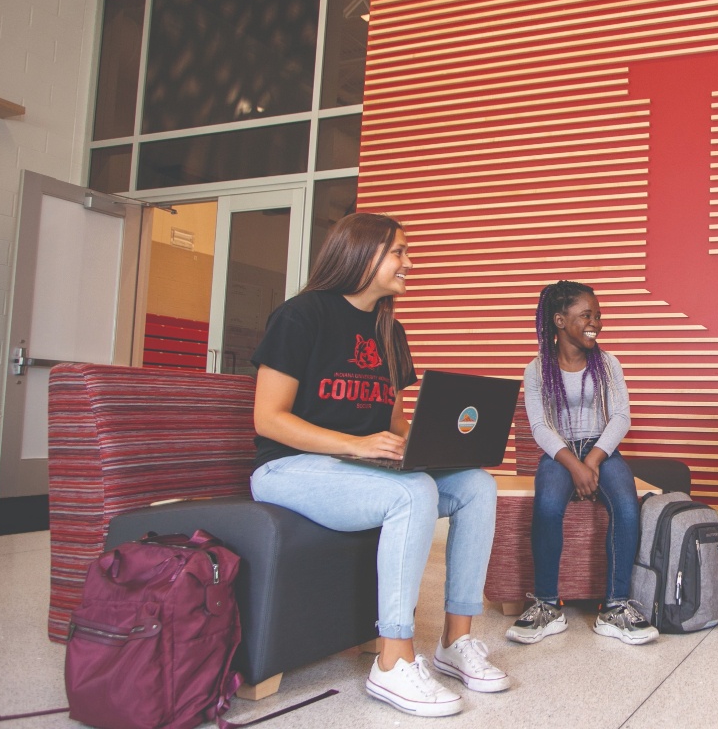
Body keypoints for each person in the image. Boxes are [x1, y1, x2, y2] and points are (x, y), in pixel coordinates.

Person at [248, 212, 508, 718]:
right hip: (289, 469)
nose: (410, 263)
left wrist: (429, 452)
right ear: (361, 253)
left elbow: (395, 423)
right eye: (400, 252)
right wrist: (356, 445)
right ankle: (392, 661)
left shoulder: (391, 330)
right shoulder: (301, 316)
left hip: (356, 469)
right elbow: (268, 419)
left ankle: (456, 641)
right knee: (411, 493)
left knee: (476, 484)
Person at [505, 280, 658, 646]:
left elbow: (621, 417)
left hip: (601, 450)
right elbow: (540, 426)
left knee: (626, 506)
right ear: (559, 320)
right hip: (559, 452)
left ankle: (615, 607)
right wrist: (574, 466)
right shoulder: (537, 369)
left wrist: (591, 460)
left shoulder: (607, 363)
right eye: (586, 315)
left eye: (598, 316)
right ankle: (546, 605)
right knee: (546, 506)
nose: (596, 323)